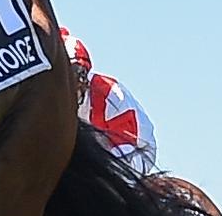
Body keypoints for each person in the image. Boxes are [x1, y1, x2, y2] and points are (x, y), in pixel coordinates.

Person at [62, 27, 158, 174]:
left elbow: (124, 145)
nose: (74, 82)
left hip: (135, 149)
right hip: (96, 151)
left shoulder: (111, 94)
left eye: (78, 73)